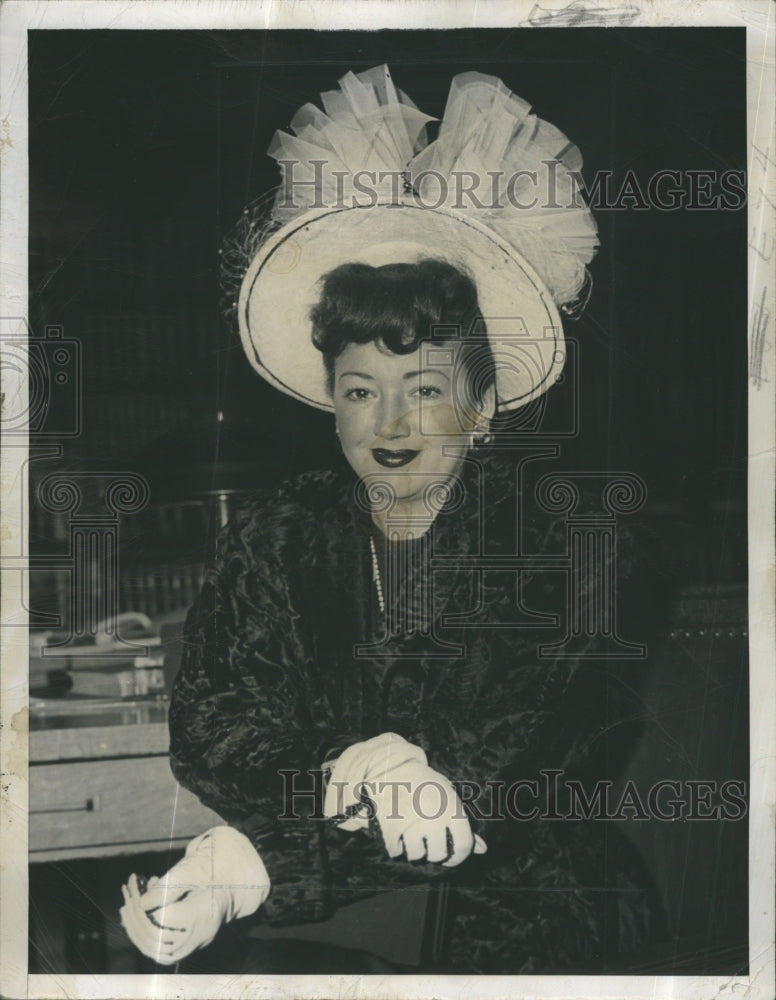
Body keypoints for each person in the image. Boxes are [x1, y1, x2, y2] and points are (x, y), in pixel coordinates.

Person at [120, 65, 662, 974]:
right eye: (360, 391)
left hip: (524, 925)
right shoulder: (278, 534)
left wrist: (256, 862)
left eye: (425, 390)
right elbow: (211, 727)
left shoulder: (569, 547)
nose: (391, 424)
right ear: (330, 403)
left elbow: (505, 780)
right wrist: (346, 762)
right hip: (327, 925)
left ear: (484, 405)